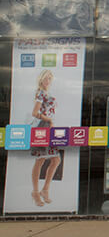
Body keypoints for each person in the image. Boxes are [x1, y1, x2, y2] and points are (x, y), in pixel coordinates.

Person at [30, 70, 61, 207]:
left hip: (49, 126)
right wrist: (48, 119)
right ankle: (36, 192)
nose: (48, 80)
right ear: (41, 79)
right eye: (46, 78)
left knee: (55, 159)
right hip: (43, 127)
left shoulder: (47, 93)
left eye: (50, 78)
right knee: (41, 159)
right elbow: (35, 113)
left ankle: (45, 189)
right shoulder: (41, 93)